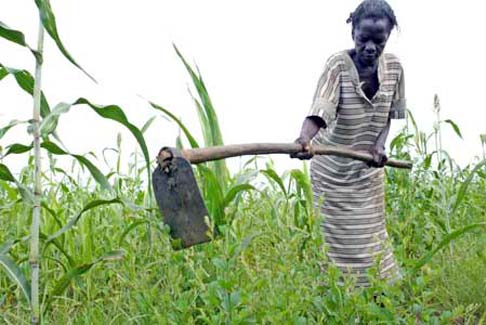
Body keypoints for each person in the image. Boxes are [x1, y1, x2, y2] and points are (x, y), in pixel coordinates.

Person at [291, 0, 405, 287]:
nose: (370, 47)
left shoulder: (394, 69)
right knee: (339, 244)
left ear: (388, 37)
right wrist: (305, 139)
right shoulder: (338, 66)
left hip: (367, 172)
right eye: (363, 38)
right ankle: (342, 301)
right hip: (333, 173)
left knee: (373, 239)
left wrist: (379, 146)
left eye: (378, 41)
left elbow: (388, 115)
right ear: (352, 31)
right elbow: (320, 110)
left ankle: (383, 296)